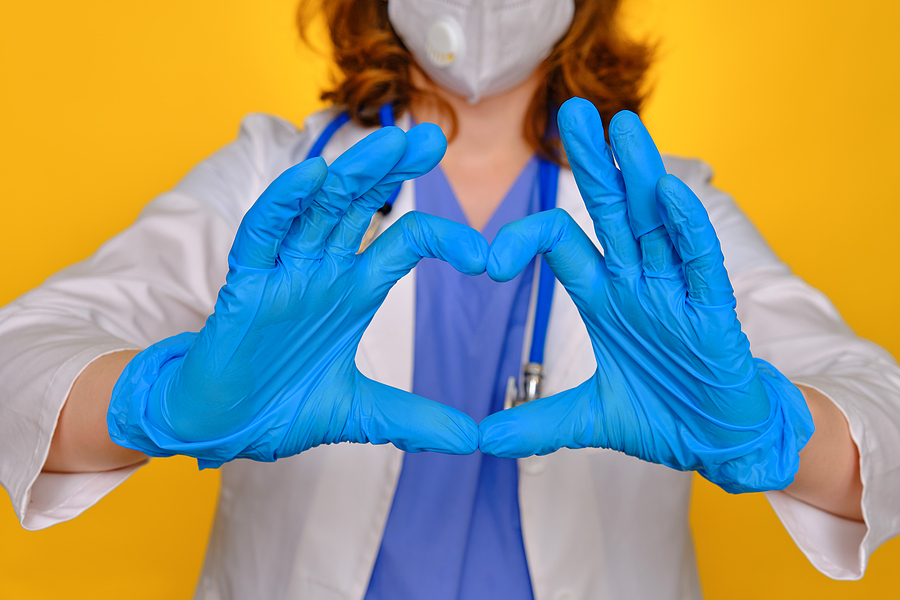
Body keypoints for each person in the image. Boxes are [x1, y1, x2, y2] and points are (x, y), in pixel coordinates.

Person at [1, 0, 898, 598]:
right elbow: (20, 355)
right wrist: (155, 403)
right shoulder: (274, 174)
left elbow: (880, 412)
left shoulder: (663, 212)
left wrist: (774, 433)